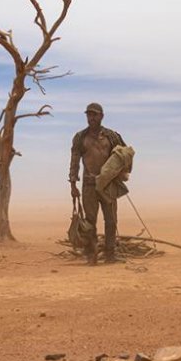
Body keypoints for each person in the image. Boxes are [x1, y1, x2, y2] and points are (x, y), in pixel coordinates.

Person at [69, 102, 126, 264]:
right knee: (90, 222)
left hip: (108, 185)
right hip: (89, 186)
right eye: (89, 115)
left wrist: (120, 173)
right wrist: (73, 184)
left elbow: (124, 155)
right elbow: (74, 162)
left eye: (94, 115)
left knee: (111, 220)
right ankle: (91, 255)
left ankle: (110, 254)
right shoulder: (80, 138)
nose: (91, 118)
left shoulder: (112, 136)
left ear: (101, 116)